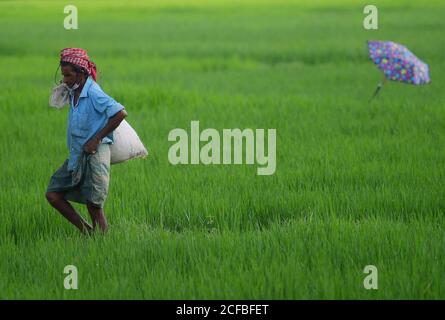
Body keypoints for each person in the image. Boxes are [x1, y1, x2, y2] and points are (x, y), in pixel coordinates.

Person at [46, 48, 128, 234]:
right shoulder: (75, 90)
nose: (65, 80)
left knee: (94, 205)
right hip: (77, 154)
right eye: (63, 75)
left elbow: (120, 113)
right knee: (53, 194)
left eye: (68, 75)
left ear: (82, 73)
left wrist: (96, 139)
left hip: (94, 153)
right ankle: (88, 233)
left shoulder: (93, 92)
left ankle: (103, 245)